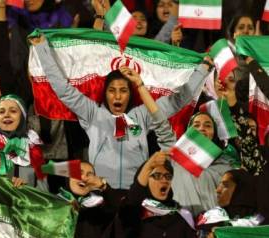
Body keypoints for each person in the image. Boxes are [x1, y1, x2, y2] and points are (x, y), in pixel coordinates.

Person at [30, 34, 210, 190]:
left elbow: (177, 100)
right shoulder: (92, 112)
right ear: (105, 93)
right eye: (112, 90)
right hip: (101, 191)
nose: (117, 96)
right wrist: (42, 49)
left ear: (130, 94)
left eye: (123, 90)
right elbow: (63, 89)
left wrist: (203, 70)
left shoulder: (142, 114)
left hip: (136, 193)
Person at [111, 151, 198, 238]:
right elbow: (133, 199)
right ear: (145, 182)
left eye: (168, 176)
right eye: (157, 175)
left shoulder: (182, 216)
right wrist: (148, 167)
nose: (164, 180)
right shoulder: (133, 211)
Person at [171, 112, 234, 217]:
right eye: (196, 125)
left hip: (210, 226)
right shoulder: (172, 158)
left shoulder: (226, 166)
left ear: (214, 133)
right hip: (178, 223)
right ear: (188, 131)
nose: (202, 128)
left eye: (208, 125)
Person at [58, 161, 119, 238]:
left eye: (89, 175)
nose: (84, 178)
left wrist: (103, 186)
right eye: (79, 173)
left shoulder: (99, 204)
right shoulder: (54, 203)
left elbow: (119, 208)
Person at [198, 169, 262, 238]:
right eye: (219, 184)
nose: (217, 190)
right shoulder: (212, 218)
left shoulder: (261, 220)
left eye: (225, 185)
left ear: (241, 190)